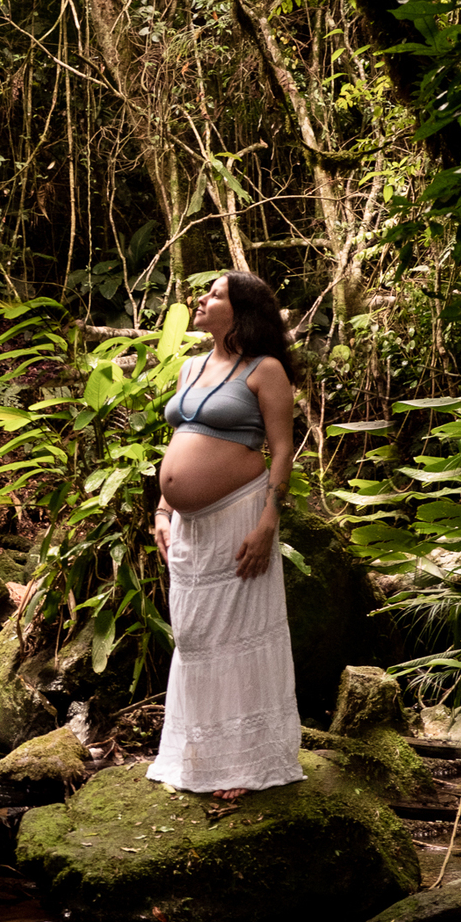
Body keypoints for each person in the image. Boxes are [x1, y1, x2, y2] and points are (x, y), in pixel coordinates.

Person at [147, 272, 305, 801]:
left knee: (237, 634)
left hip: (240, 514)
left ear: (241, 310)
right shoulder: (191, 366)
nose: (200, 299)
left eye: (214, 294)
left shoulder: (267, 370)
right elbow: (178, 437)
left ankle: (245, 763)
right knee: (194, 637)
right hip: (189, 524)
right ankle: (199, 757)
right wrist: (165, 507)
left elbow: (282, 451)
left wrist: (267, 524)